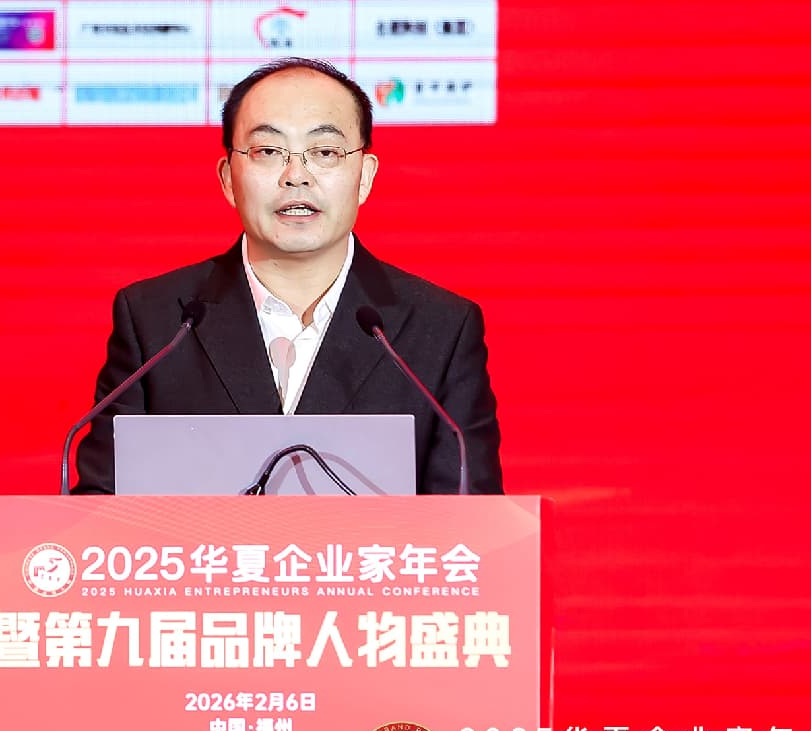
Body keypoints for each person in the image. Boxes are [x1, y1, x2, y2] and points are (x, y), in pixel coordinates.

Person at [72, 57, 503, 494]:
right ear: (228, 178)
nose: (296, 176)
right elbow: (101, 506)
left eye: (325, 152)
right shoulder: (158, 322)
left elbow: (472, 518)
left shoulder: (440, 329)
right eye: (268, 151)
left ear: (365, 177)